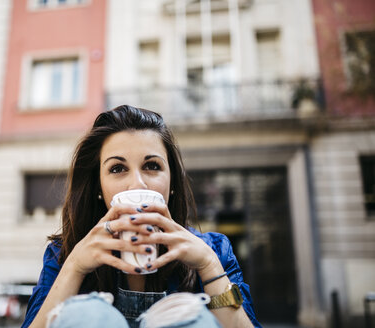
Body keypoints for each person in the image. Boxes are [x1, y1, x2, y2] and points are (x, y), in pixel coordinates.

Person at [22, 105, 261, 328]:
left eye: (152, 166)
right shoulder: (65, 252)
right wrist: (75, 266)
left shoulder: (214, 250)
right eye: (117, 169)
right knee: (88, 313)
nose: (137, 183)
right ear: (99, 188)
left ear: (172, 182)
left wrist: (208, 265)